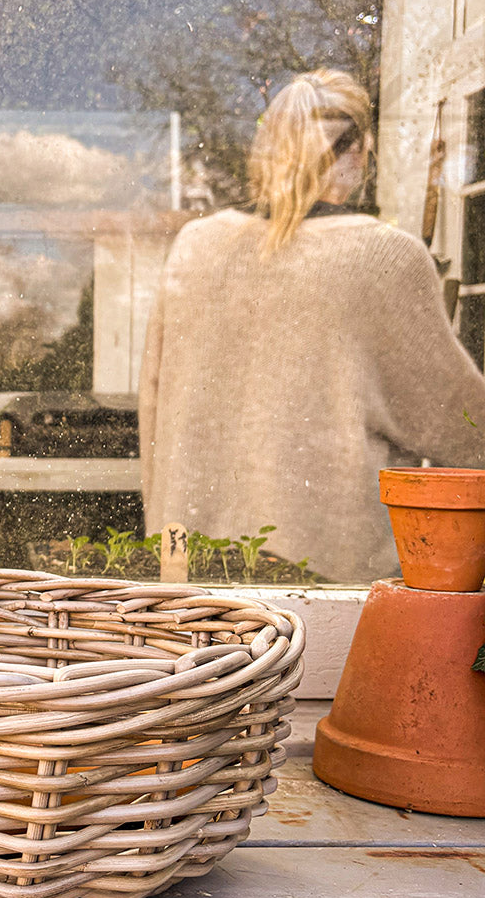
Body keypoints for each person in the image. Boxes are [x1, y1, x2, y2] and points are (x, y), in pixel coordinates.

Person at [139, 69, 485, 583]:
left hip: (190, 571)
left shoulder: (197, 244)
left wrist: (164, 538)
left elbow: (153, 404)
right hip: (327, 580)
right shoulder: (381, 256)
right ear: (360, 153)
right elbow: (463, 427)